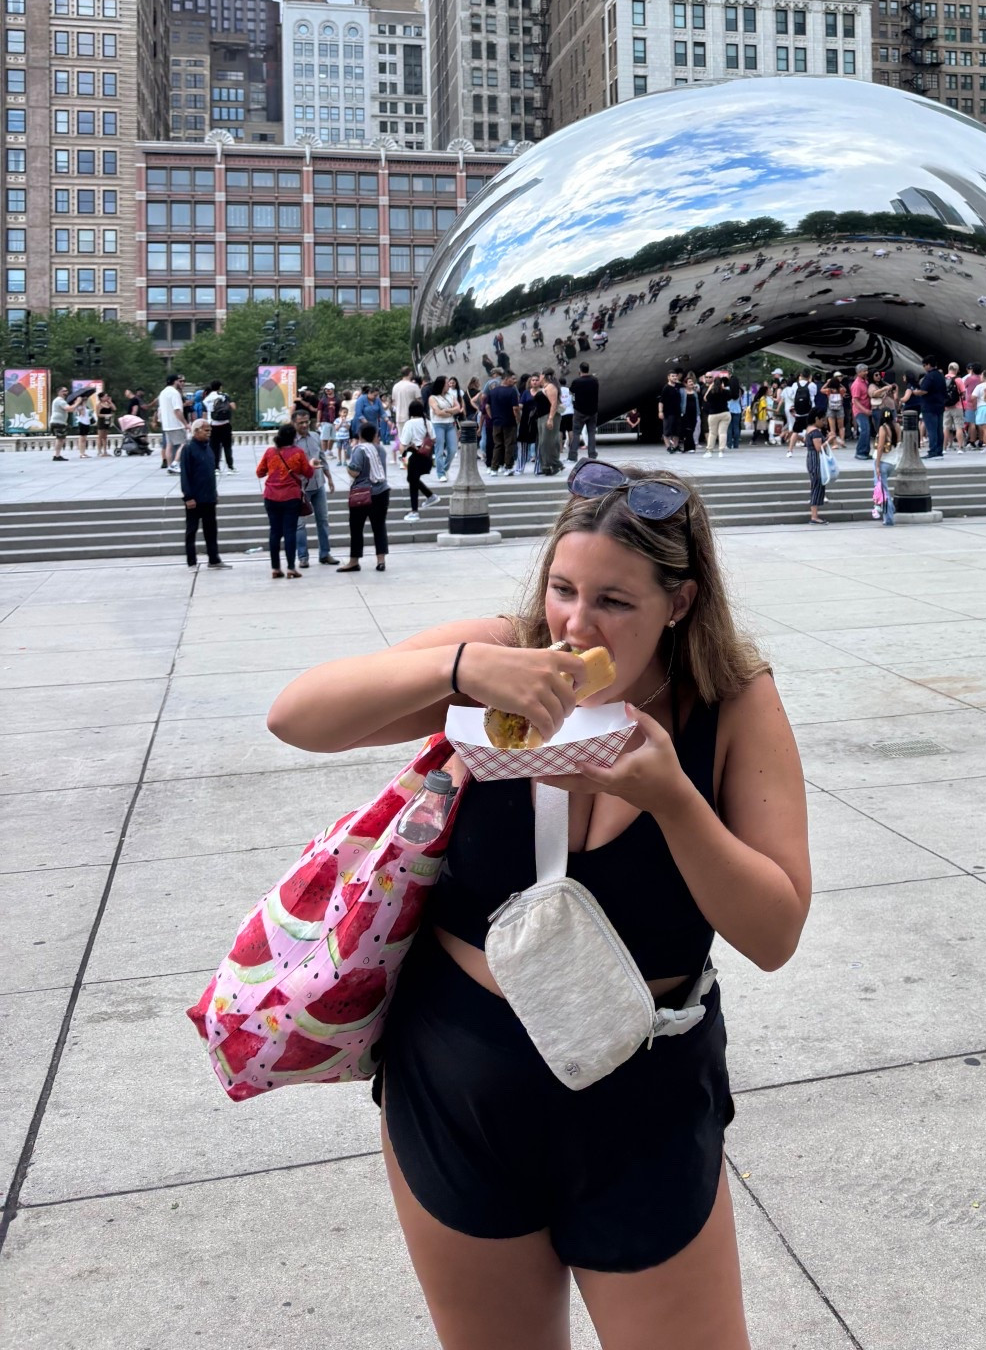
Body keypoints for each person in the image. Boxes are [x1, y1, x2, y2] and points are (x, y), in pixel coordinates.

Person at [264, 463, 810, 1348]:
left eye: (614, 603)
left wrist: (675, 798)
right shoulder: (499, 656)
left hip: (642, 1096)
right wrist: (466, 666)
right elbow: (296, 717)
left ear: (680, 602)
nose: (574, 624)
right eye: (563, 588)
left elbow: (776, 930)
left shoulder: (732, 702)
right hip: (459, 1083)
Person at [255, 420, 312, 581]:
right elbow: (308, 473)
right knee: (290, 532)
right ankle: (291, 567)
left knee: (275, 532)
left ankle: (275, 568)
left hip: (271, 496)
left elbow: (259, 472)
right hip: (291, 497)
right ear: (294, 437)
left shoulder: (270, 452)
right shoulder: (298, 453)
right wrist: (312, 465)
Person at [339, 419, 391, 572]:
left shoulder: (359, 449)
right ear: (375, 435)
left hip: (362, 494)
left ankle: (354, 561)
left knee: (356, 528)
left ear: (360, 435)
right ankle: (381, 561)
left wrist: (348, 467)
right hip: (381, 491)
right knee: (379, 527)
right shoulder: (380, 449)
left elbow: (354, 471)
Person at [293, 406, 339, 568]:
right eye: (301, 423)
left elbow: (322, 458)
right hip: (299, 488)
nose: (304, 425)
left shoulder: (315, 436)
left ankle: (325, 554)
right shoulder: (290, 441)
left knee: (323, 520)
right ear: (294, 424)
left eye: (306, 422)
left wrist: (330, 478)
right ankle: (303, 556)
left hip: (318, 484)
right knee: (299, 525)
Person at [179, 417, 225, 570]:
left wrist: (214, 492)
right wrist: (188, 496)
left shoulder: (208, 448)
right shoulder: (188, 449)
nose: (209, 433)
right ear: (196, 431)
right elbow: (185, 474)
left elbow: (210, 473)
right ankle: (191, 560)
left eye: (210, 431)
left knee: (211, 529)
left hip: (209, 497)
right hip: (194, 498)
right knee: (191, 530)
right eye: (206, 431)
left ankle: (214, 558)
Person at [400, 399, 440, 515]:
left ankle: (414, 511)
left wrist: (403, 456)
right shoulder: (427, 422)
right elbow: (434, 439)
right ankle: (430, 496)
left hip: (415, 455)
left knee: (412, 483)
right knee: (412, 479)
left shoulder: (409, 424)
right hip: (427, 456)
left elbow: (404, 443)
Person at [484, 370, 520, 476]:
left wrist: (492, 417)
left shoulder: (493, 391)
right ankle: (508, 467)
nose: (514, 381)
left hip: (496, 422)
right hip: (509, 421)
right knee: (509, 444)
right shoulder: (512, 391)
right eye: (512, 379)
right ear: (505, 379)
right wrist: (518, 418)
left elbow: (487, 406)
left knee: (497, 445)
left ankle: (494, 468)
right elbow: (515, 408)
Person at [568, 362, 601, 463]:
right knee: (591, 433)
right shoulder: (594, 381)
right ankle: (592, 454)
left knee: (576, 433)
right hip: (593, 410)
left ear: (579, 370)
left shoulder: (577, 381)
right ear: (588, 369)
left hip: (579, 411)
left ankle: (573, 456)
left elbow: (571, 391)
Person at [429, 377, 461, 480]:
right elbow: (438, 412)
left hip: (450, 424)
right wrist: (451, 411)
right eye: (447, 383)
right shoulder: (433, 398)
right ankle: (440, 473)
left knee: (453, 449)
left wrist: (446, 411)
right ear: (441, 385)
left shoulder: (451, 395)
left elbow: (458, 408)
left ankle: (445, 467)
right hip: (438, 425)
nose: (449, 385)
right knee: (439, 449)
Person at [157, 373, 187, 471]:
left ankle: (170, 466)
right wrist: (185, 424)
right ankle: (175, 463)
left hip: (166, 424)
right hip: (175, 424)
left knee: (169, 445)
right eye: (179, 381)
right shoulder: (174, 393)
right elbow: (177, 410)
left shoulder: (162, 393)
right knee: (184, 443)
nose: (180, 383)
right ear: (175, 381)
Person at [205, 379, 236, 472]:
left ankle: (215, 467)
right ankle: (230, 467)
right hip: (225, 424)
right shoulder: (224, 396)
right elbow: (233, 407)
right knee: (227, 446)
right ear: (220, 387)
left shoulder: (206, 399)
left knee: (215, 447)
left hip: (213, 425)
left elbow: (205, 412)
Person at [805, 417, 831, 526]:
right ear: (816, 419)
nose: (823, 422)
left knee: (815, 485)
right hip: (816, 460)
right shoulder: (815, 432)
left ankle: (814, 515)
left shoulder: (809, 429)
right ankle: (814, 516)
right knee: (816, 486)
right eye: (822, 420)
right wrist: (829, 440)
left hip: (811, 459)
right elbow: (818, 448)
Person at [702, 373, 732, 456]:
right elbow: (730, 396)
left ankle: (709, 451)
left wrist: (710, 388)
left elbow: (705, 398)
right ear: (722, 383)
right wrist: (723, 388)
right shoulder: (726, 392)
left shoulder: (711, 393)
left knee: (712, 433)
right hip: (725, 413)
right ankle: (721, 451)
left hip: (713, 414)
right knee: (722, 432)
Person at [659, 369, 686, 454]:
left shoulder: (678, 386)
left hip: (677, 412)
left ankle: (675, 446)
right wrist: (660, 411)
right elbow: (661, 401)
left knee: (677, 431)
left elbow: (686, 388)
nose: (674, 377)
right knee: (667, 431)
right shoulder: (666, 388)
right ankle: (668, 447)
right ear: (668, 377)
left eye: (675, 376)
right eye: (672, 376)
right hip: (668, 412)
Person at [849, 364, 873, 459]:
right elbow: (855, 400)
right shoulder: (857, 384)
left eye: (866, 370)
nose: (866, 372)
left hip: (865, 410)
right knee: (865, 430)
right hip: (860, 411)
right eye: (864, 371)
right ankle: (860, 452)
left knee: (867, 430)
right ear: (858, 372)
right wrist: (865, 410)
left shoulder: (865, 382)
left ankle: (865, 452)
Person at [941, 364, 965, 453]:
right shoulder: (958, 379)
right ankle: (960, 448)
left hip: (946, 407)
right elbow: (963, 393)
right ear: (957, 370)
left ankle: (944, 448)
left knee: (946, 427)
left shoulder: (942, 379)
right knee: (959, 427)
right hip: (957, 406)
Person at [392, 366, 421, 437]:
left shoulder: (395, 386)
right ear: (410, 373)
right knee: (414, 439)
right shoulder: (414, 386)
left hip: (399, 416)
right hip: (412, 417)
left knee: (403, 439)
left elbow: (394, 401)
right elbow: (419, 402)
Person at [825, 374, 846, 451]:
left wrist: (828, 383)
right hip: (840, 408)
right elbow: (845, 390)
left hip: (831, 409)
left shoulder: (828, 391)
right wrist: (839, 383)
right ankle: (842, 441)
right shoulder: (841, 390)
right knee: (841, 427)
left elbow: (821, 389)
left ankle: (835, 444)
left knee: (832, 428)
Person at [94, 385, 115, 458]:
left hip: (107, 421)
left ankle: (105, 451)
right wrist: (106, 415)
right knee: (100, 437)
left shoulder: (108, 404)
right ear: (101, 398)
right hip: (101, 421)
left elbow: (114, 409)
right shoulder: (99, 405)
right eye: (105, 396)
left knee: (105, 437)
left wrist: (110, 402)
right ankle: (99, 451)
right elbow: (98, 414)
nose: (107, 397)